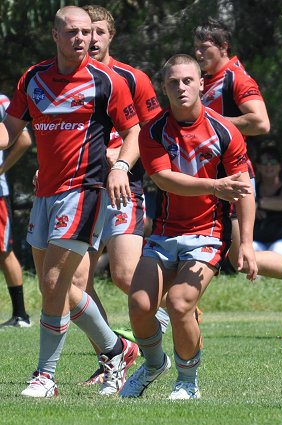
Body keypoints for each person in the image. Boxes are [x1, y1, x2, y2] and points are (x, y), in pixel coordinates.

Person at [0, 6, 141, 398]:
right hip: (45, 192)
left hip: (85, 191)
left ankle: (45, 377)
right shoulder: (33, 78)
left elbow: (134, 132)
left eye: (86, 32)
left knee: (52, 282)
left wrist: (121, 168)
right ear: (55, 35)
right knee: (61, 290)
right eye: (73, 32)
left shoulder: (106, 81)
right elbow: (9, 131)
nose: (83, 39)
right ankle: (118, 349)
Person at [119, 54, 257, 400]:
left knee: (180, 304)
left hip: (209, 233)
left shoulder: (226, 130)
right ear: (163, 87)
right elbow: (164, 180)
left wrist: (248, 244)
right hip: (164, 232)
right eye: (172, 82)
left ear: (200, 84)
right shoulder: (153, 130)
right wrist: (214, 186)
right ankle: (153, 365)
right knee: (138, 305)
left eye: (187, 81)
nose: (180, 87)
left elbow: (244, 188)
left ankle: (187, 382)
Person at [70, 5, 169, 386]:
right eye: (85, 31)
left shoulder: (132, 77)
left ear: (110, 37)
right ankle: (112, 356)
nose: (91, 39)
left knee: (127, 276)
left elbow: (153, 130)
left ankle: (178, 309)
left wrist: (122, 160)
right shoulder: (68, 79)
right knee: (77, 283)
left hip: (124, 187)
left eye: (98, 32)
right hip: (79, 190)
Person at [193, 17, 282, 285]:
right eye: (195, 47)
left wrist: (212, 121)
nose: (198, 53)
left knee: (241, 257)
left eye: (204, 47)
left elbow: (261, 122)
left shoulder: (236, 78)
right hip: (212, 177)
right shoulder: (206, 80)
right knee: (233, 256)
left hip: (234, 176)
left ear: (223, 47)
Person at [0, 93, 32, 328]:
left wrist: (1, 169)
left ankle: (21, 315)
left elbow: (24, 140)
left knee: (3, 250)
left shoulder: (2, 102)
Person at [253, 145, 282, 260]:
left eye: (273, 161)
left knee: (279, 249)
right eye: (264, 162)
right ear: (258, 166)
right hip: (259, 240)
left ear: (280, 166)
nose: (269, 166)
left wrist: (256, 204)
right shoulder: (252, 188)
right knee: (250, 250)